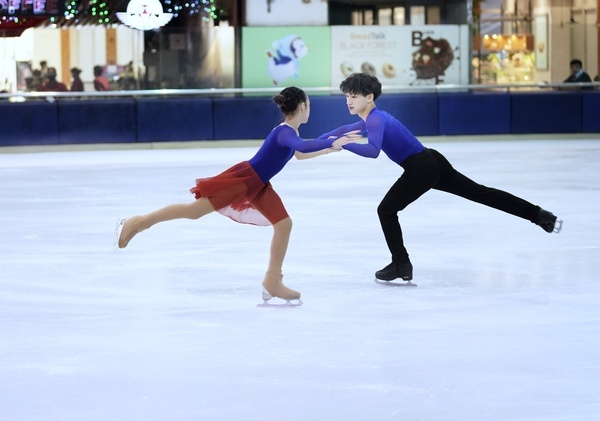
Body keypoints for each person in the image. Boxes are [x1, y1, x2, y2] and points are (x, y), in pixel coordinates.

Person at [115, 87, 359, 304]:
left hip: (260, 184)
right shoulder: (284, 132)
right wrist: (333, 142)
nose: (310, 110)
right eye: (309, 105)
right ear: (302, 106)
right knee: (194, 212)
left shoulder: (290, 134)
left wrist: (330, 147)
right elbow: (304, 147)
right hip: (244, 180)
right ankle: (138, 222)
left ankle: (272, 280)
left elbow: (301, 154)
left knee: (284, 224)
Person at [318, 73, 562, 283]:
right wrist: (319, 142)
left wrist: (342, 146)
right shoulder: (373, 117)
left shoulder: (375, 119)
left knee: (386, 210)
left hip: (421, 168)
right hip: (432, 161)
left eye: (353, 96)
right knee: (480, 193)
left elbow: (372, 152)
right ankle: (539, 215)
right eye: (347, 96)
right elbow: (343, 131)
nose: (348, 101)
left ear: (369, 96)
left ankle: (401, 264)